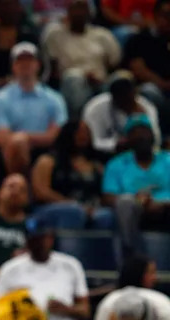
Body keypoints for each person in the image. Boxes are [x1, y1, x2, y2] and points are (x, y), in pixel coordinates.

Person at [0, 42, 68, 174]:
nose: (25, 65)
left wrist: (24, 137)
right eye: (20, 61)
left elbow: (54, 135)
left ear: (38, 64)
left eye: (30, 60)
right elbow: (2, 139)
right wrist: (22, 141)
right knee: (17, 144)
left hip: (46, 152)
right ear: (13, 66)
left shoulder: (54, 99)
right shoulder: (0, 99)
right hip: (13, 152)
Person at [102, 113, 170, 258]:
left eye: (145, 131)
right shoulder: (116, 164)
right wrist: (140, 201)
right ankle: (133, 257)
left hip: (166, 207)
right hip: (135, 210)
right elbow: (108, 197)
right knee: (125, 203)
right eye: (135, 133)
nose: (141, 136)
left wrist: (161, 204)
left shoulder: (167, 159)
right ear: (128, 139)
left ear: (152, 135)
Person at [30, 120, 112, 230]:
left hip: (91, 208)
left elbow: (104, 193)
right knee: (73, 212)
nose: (83, 136)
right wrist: (71, 204)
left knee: (107, 216)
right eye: (79, 132)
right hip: (54, 208)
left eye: (86, 133)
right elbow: (40, 192)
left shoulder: (96, 165)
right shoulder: (48, 161)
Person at [42, 0, 121, 115]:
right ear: (68, 12)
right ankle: (79, 124)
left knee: (120, 80)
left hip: (100, 83)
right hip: (71, 84)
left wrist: (100, 79)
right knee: (74, 79)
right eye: (75, 8)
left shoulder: (102, 35)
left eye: (82, 8)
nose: (79, 13)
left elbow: (115, 63)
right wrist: (84, 76)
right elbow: (52, 71)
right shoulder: (55, 35)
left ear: (90, 13)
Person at [82, 71, 161, 156]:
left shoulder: (146, 107)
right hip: (103, 154)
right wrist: (115, 144)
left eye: (130, 100)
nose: (128, 105)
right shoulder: (95, 109)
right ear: (114, 98)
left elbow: (156, 140)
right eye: (123, 101)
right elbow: (92, 142)